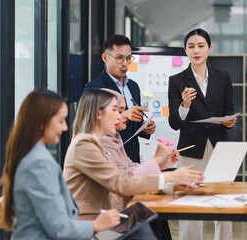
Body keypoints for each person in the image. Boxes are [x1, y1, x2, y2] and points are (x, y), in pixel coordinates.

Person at [63, 89, 204, 221]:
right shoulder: (85, 145)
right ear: (99, 114)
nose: (122, 116)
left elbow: (124, 176)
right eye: (116, 110)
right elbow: (122, 183)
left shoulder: (98, 142)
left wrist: (170, 184)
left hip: (111, 216)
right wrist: (169, 176)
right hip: (95, 224)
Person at [0, 89, 120, 240]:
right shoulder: (39, 163)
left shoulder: (33, 156)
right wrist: (97, 224)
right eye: (60, 121)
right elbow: (60, 228)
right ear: (42, 122)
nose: (65, 128)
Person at [168, 29, 237, 240]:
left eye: (201, 45)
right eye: (191, 46)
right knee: (189, 203)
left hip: (219, 146)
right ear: (185, 50)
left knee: (223, 202)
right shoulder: (177, 80)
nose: (196, 50)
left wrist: (229, 121)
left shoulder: (223, 77)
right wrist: (184, 105)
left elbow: (228, 111)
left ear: (209, 48)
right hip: (191, 147)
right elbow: (174, 122)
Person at [83, 34, 154, 164]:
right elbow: (89, 126)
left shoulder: (133, 86)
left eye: (128, 58)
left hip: (132, 159)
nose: (125, 64)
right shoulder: (94, 88)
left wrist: (144, 128)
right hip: (107, 159)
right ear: (105, 58)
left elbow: (132, 125)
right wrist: (125, 115)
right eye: (119, 58)